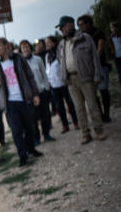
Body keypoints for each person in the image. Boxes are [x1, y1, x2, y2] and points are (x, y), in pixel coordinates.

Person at [0, 37, 44, 167]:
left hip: (24, 99)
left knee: (29, 127)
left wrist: (35, 94)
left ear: (6, 46)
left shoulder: (18, 58)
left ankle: (31, 149)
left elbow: (30, 76)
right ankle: (23, 156)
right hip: (10, 103)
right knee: (16, 131)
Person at [56, 15, 106, 144]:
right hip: (71, 80)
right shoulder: (61, 44)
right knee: (79, 108)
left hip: (85, 77)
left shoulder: (85, 38)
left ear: (71, 25)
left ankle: (99, 131)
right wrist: (64, 77)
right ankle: (86, 133)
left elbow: (95, 57)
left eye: (63, 27)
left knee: (92, 105)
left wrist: (97, 76)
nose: (62, 30)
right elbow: (60, 60)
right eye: (61, 28)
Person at [19, 39, 55, 144]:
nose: (25, 49)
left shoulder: (38, 59)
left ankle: (47, 134)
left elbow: (44, 73)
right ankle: (36, 138)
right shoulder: (20, 62)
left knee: (45, 115)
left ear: (30, 48)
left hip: (41, 91)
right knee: (33, 118)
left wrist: (46, 87)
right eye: (23, 48)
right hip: (30, 95)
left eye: (26, 47)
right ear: (21, 50)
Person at [77, 14, 111, 122]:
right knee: (92, 94)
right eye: (79, 25)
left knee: (104, 90)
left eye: (82, 24)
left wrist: (92, 61)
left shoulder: (98, 32)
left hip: (100, 66)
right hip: (88, 69)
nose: (81, 26)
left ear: (88, 23)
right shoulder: (81, 36)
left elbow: (99, 50)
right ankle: (100, 114)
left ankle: (106, 114)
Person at [45, 35, 79, 133]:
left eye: (49, 42)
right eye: (46, 42)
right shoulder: (47, 56)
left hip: (64, 83)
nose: (47, 44)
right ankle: (65, 125)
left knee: (70, 103)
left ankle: (76, 122)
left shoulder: (60, 52)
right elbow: (48, 69)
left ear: (54, 43)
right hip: (54, 85)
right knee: (59, 106)